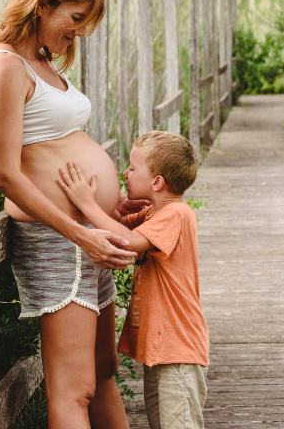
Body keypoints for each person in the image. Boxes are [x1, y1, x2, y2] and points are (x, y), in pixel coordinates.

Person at [0, 0, 140, 429]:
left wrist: (110, 210)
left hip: (89, 233)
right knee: (74, 391)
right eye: (74, 20)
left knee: (106, 370)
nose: (77, 35)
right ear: (43, 2)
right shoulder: (5, 65)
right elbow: (4, 175)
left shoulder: (43, 61)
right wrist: (81, 233)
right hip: (61, 240)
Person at [57, 131, 211, 429]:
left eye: (131, 167)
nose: (124, 173)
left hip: (177, 353)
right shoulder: (155, 212)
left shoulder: (176, 214)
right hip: (164, 351)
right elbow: (117, 227)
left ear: (157, 182)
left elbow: (126, 242)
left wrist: (87, 203)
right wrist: (109, 205)